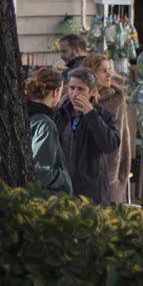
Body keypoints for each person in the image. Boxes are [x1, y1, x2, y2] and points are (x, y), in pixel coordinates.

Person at [54, 65, 123, 203]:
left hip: (91, 191)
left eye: (81, 89)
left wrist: (91, 114)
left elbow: (110, 145)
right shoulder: (59, 114)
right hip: (61, 189)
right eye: (72, 88)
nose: (75, 93)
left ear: (92, 91)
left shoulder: (104, 116)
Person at [79, 53, 133, 204]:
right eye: (104, 70)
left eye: (109, 69)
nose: (110, 73)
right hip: (81, 169)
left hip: (109, 169)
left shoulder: (116, 99)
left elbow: (119, 139)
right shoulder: (79, 96)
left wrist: (113, 175)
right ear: (91, 74)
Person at [24, 68, 71, 197]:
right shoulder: (45, 123)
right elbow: (42, 170)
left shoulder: (25, 114)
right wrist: (64, 177)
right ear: (56, 92)